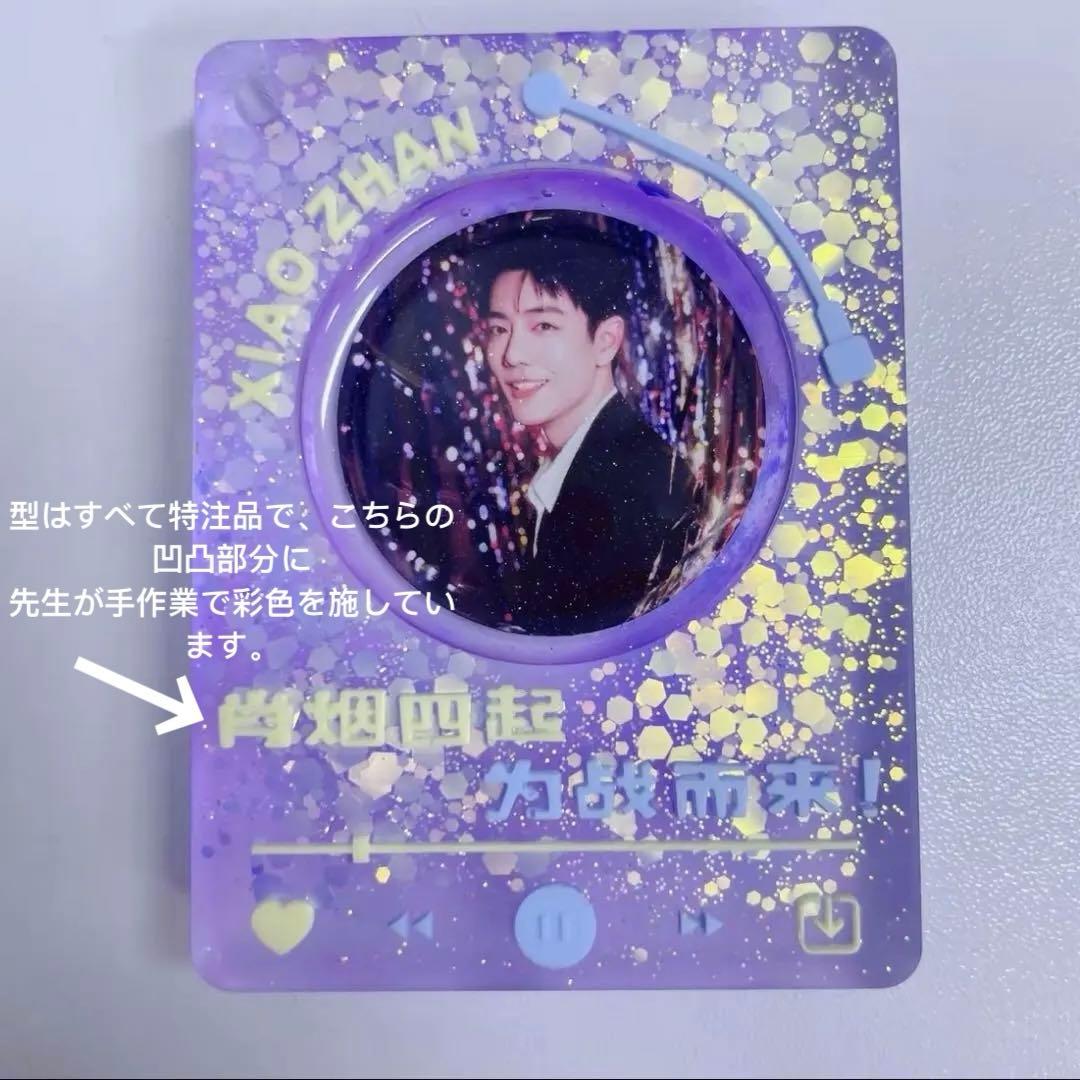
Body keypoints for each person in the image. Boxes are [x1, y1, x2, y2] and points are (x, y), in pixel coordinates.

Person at [472, 216, 697, 635]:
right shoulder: (588, 464)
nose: (512, 354)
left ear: (606, 340)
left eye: (543, 325)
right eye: (499, 328)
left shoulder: (637, 488)